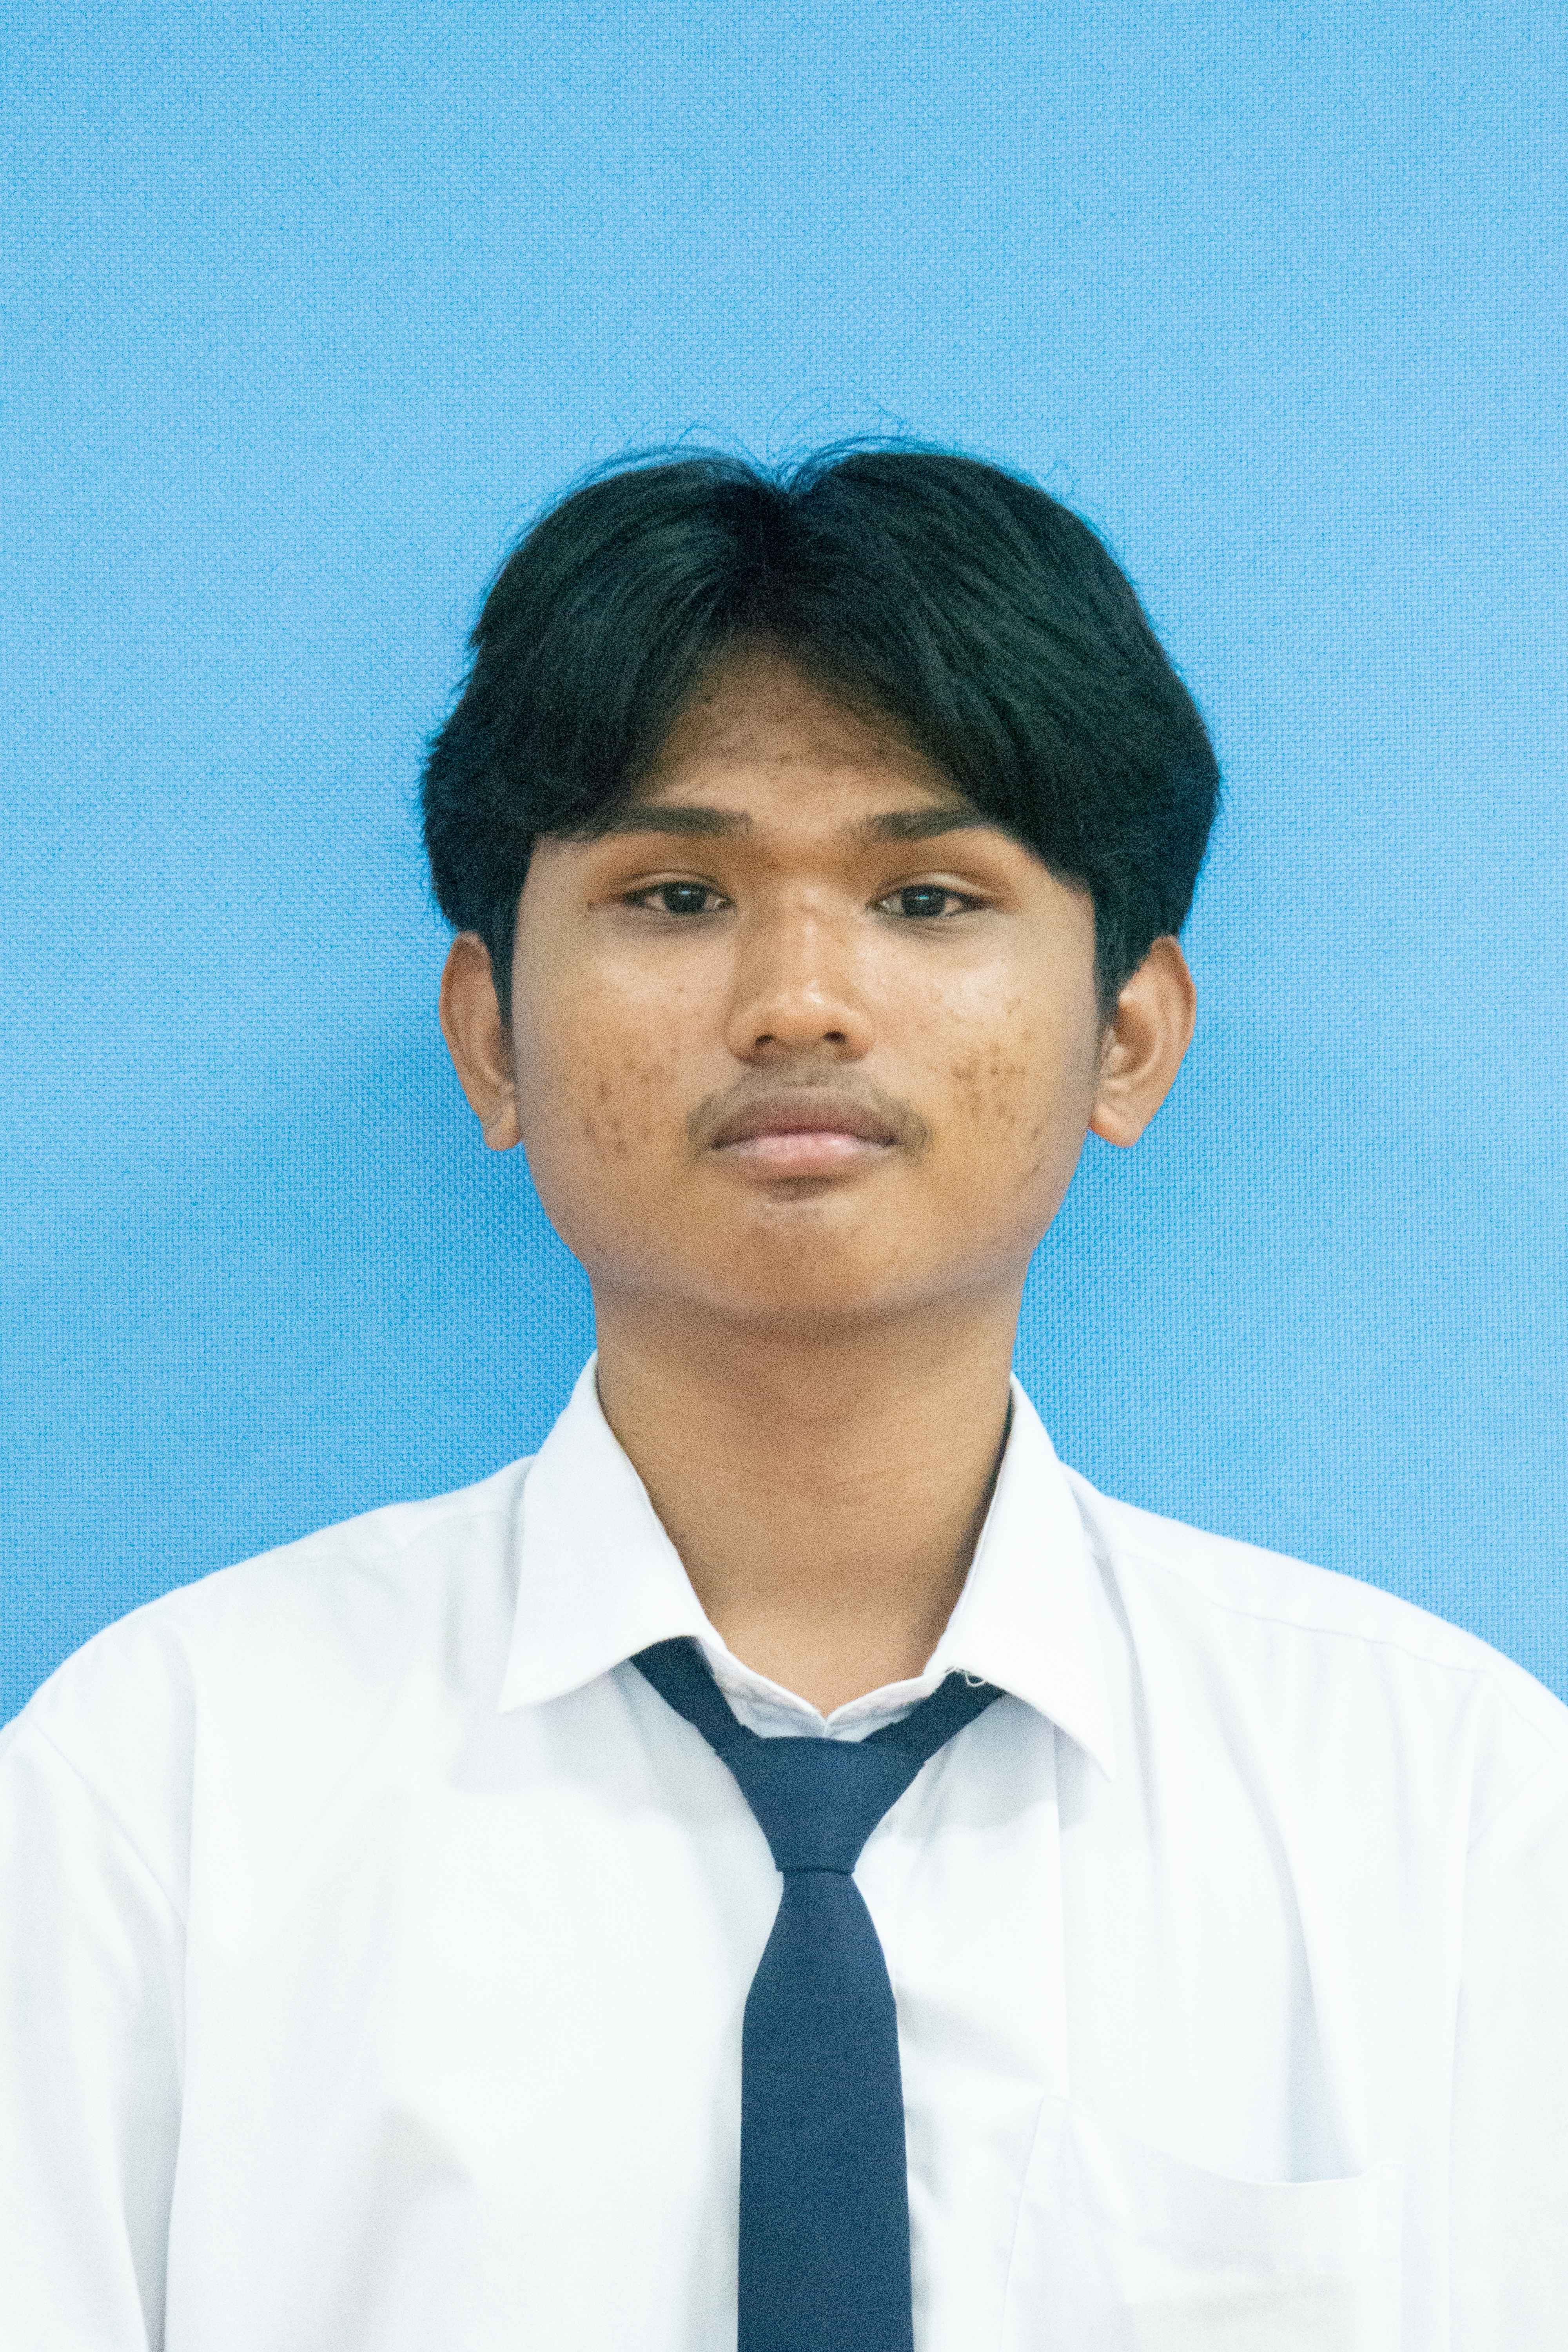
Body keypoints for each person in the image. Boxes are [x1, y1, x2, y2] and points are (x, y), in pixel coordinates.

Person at [2, 445, 1564, 2352]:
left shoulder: (1449, 1817)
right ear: (489, 1039)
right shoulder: (162, 1798)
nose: (799, 1000)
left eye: (926, 896)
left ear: (1128, 1036)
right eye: (676, 893)